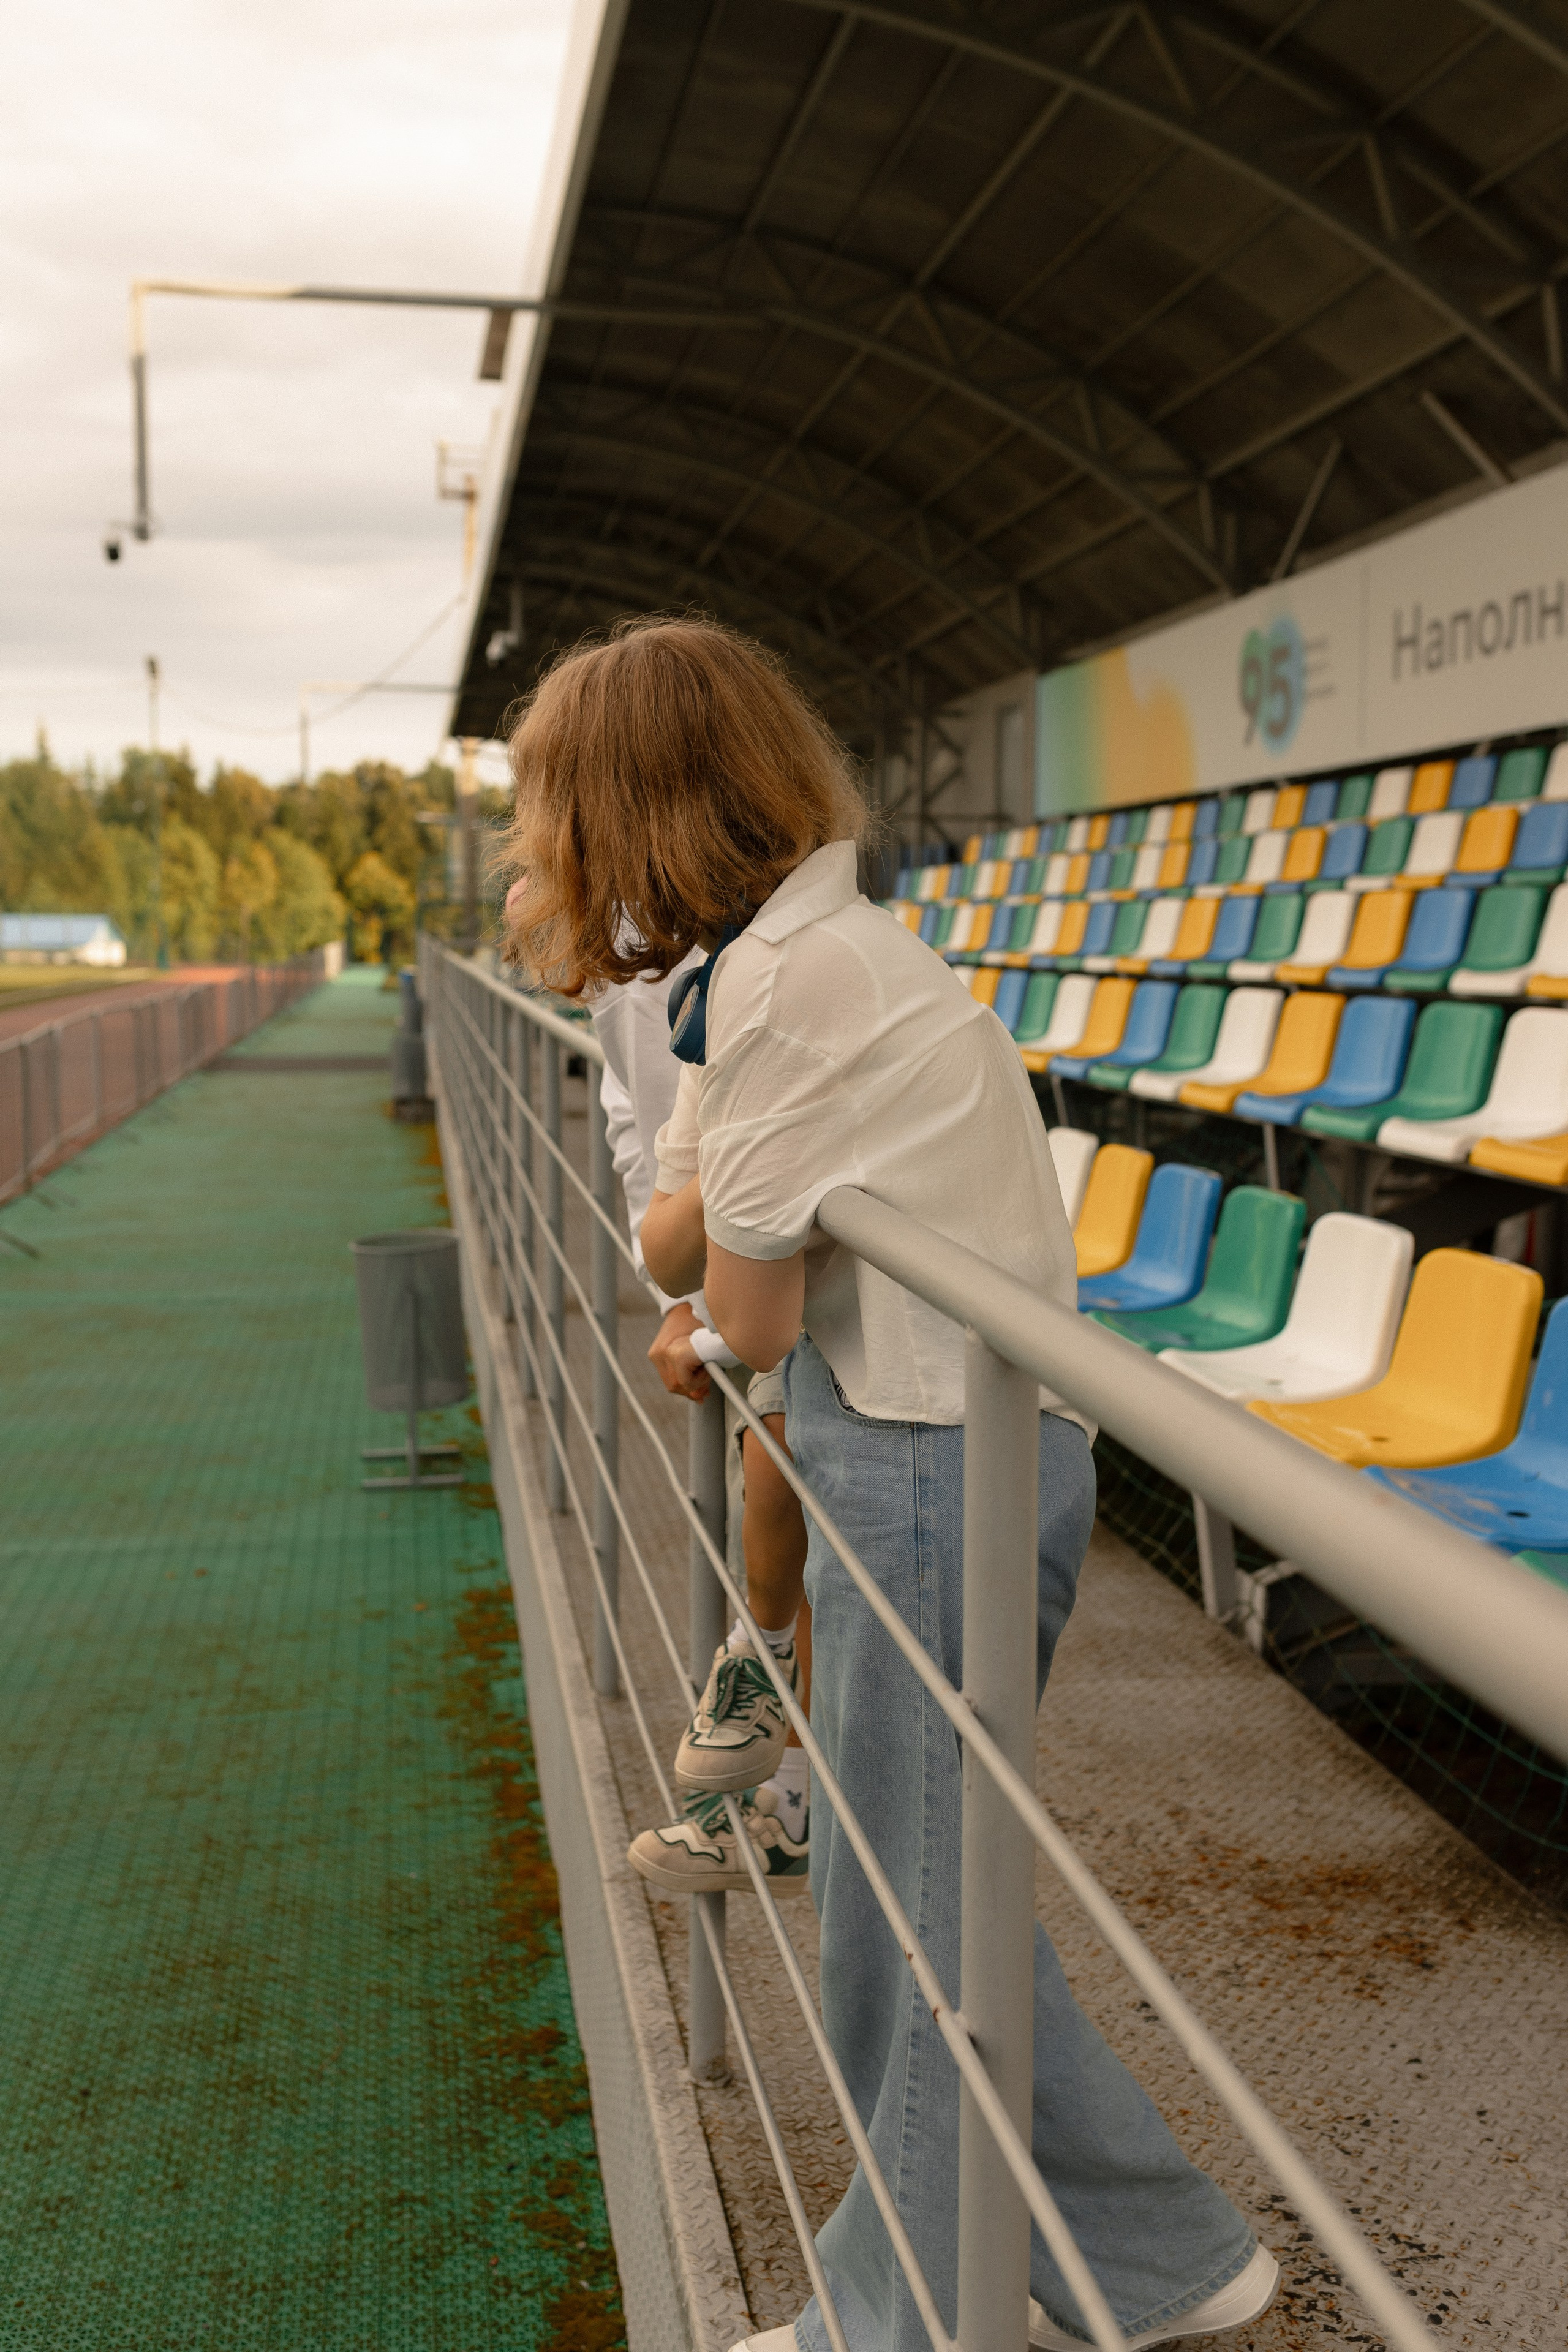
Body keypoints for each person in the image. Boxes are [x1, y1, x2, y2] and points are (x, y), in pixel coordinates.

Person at [504, 616, 1277, 2352]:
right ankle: (1164, 2265)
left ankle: (908, 2312)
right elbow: (673, 1231)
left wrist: (714, 1287)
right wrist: (713, 1275)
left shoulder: (794, 982)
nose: (546, 855)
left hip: (935, 1459)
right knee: (924, 1893)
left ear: (639, 810)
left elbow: (743, 1306)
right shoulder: (786, 963)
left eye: (562, 812)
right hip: (926, 1443)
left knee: (899, 1922)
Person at [588, 942, 815, 1890]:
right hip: (750, 1254)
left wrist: (694, 1305)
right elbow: (647, 1128)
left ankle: (783, 1784)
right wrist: (681, 1296)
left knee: (787, 1501)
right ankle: (788, 1802)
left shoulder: (687, 944)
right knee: (783, 1504)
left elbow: (704, 1153)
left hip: (789, 1270)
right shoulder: (644, 950)